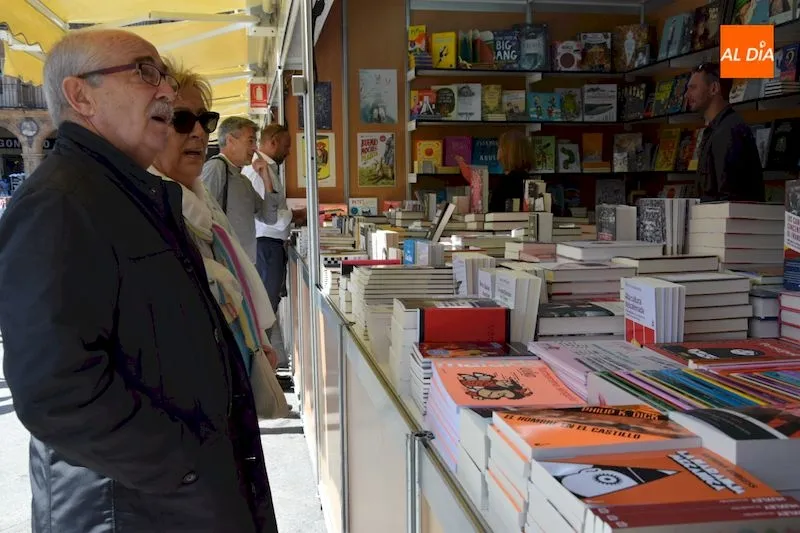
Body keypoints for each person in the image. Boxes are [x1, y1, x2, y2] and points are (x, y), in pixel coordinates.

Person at [0, 29, 278, 533]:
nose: (167, 93)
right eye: (146, 73)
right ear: (80, 95)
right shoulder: (59, 203)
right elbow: (55, 392)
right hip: (132, 509)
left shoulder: (129, 193)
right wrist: (183, 464)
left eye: (165, 77)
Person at [149, 61, 283, 381]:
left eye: (205, 120)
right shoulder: (150, 212)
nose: (198, 131)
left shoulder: (215, 191)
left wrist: (269, 179)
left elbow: (268, 213)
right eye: (182, 119)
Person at [201, 116, 281, 263]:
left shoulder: (243, 180)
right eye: (250, 141)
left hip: (244, 265)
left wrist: (267, 181)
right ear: (230, 140)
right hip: (226, 264)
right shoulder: (217, 168)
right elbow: (200, 216)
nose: (255, 148)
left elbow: (269, 218)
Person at [685, 62, 765, 201]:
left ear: (714, 88)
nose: (687, 95)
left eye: (693, 88)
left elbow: (730, 197)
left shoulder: (728, 131)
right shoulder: (718, 129)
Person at [488, 130, 534, 212]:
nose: (498, 153)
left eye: (500, 147)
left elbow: (494, 214)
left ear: (508, 152)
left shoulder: (505, 183)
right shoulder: (531, 182)